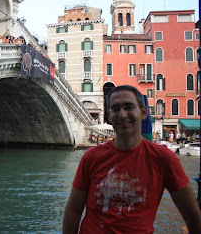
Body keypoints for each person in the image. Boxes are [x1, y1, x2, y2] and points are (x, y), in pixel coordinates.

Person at [62, 85, 201, 234]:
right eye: (115, 109)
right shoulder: (91, 157)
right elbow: (73, 211)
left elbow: (191, 214)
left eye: (128, 107)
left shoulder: (164, 158)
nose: (122, 115)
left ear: (143, 112)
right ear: (109, 115)